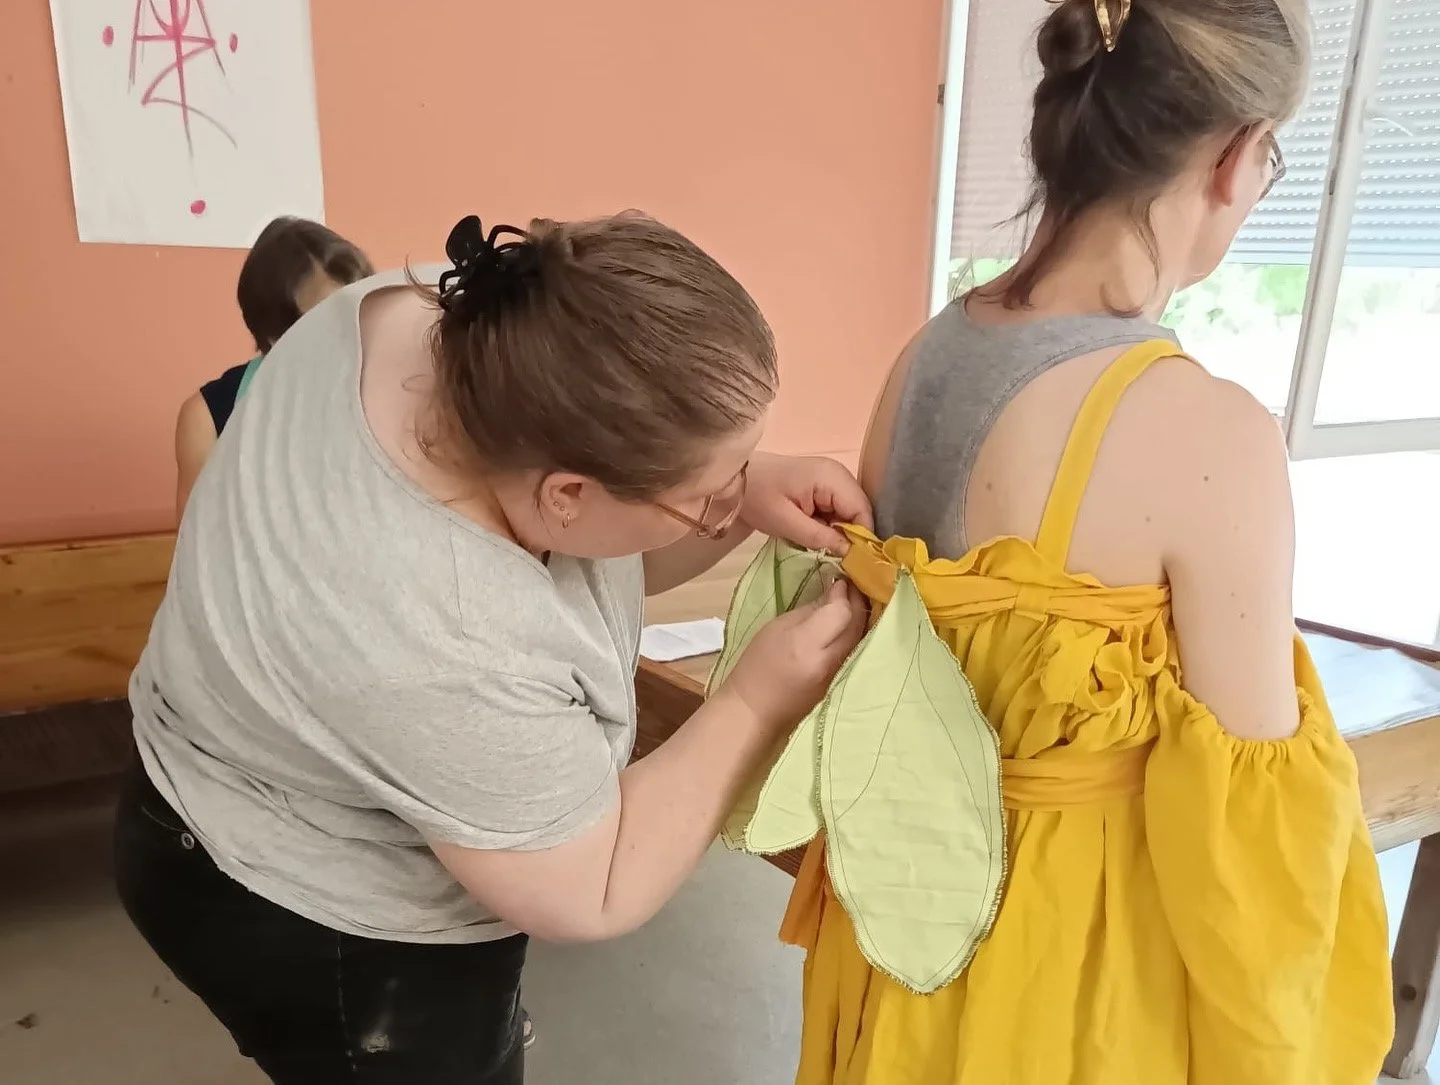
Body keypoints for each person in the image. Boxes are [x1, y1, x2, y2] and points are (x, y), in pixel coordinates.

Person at [782, 1, 1393, 1082]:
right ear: (1238, 155)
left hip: (897, 918)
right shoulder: (1209, 434)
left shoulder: (922, 358)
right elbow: (1259, 833)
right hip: (1060, 973)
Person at [115, 209, 871, 1084]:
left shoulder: (453, 324)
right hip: (290, 896)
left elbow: (600, 551)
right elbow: (592, 883)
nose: (725, 501)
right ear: (566, 492)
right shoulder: (436, 626)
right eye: (706, 493)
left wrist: (739, 487)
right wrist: (751, 702)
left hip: (206, 764)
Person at [173, 216, 374, 515]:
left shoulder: (387, 395)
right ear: (274, 334)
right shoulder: (208, 419)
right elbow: (198, 538)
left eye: (358, 310)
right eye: (327, 320)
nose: (351, 334)